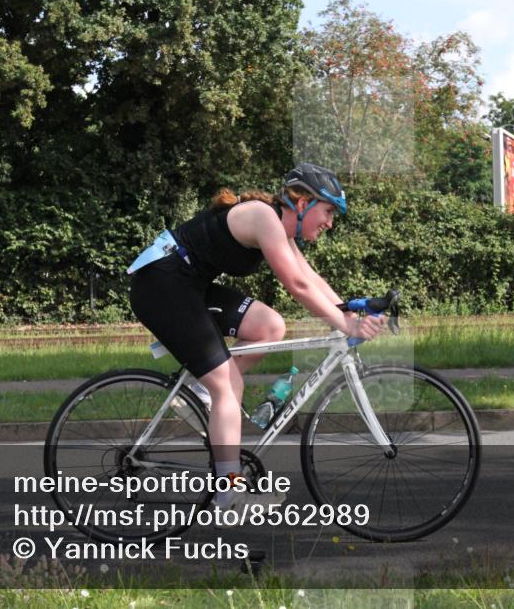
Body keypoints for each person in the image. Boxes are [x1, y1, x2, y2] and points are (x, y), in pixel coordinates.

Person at [128, 163, 384, 509]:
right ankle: (228, 492)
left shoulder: (281, 228)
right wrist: (345, 325)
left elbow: (311, 277)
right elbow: (297, 285)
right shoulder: (264, 218)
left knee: (270, 326)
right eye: (327, 211)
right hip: (161, 285)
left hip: (188, 285)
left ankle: (199, 392)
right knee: (229, 386)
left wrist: (347, 311)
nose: (329, 222)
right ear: (303, 202)